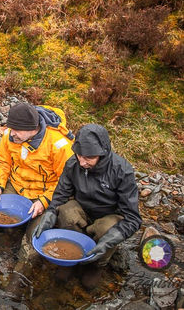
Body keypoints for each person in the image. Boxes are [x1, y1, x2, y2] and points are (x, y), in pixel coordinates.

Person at [0, 102, 75, 298]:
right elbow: (2, 161)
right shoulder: (11, 135)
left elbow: (65, 183)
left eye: (15, 130)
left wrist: (43, 202)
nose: (10, 133)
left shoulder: (60, 146)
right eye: (10, 128)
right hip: (15, 186)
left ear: (32, 129)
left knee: (35, 237)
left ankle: (17, 280)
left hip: (43, 194)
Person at [33, 124, 142, 289]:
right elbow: (61, 196)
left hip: (108, 216)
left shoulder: (122, 171)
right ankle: (72, 255)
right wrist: (50, 214)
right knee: (65, 210)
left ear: (102, 153)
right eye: (79, 156)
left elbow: (133, 219)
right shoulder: (73, 163)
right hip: (82, 211)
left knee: (106, 229)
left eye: (89, 158)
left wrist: (107, 241)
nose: (82, 162)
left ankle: (97, 263)